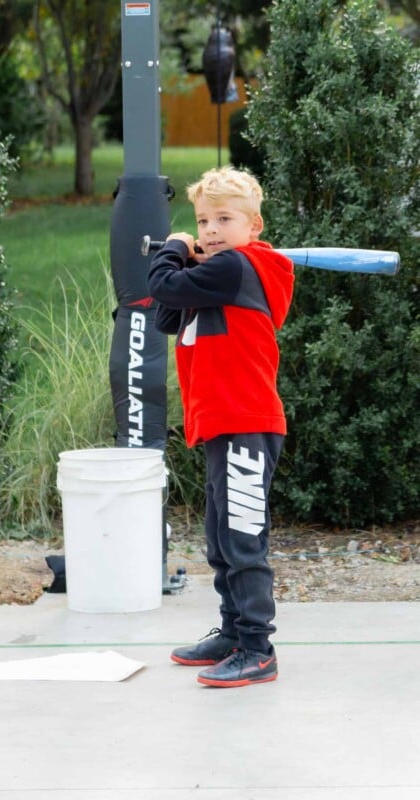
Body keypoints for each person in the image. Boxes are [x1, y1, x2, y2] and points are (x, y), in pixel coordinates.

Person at [147, 166, 295, 688]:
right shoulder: (216, 274)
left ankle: (258, 649)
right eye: (202, 220)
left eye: (224, 219)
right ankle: (233, 634)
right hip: (220, 426)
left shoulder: (237, 267)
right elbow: (166, 311)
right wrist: (187, 258)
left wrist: (172, 248)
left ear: (253, 226)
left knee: (243, 539)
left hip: (246, 421)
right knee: (219, 539)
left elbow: (160, 281)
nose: (209, 230)